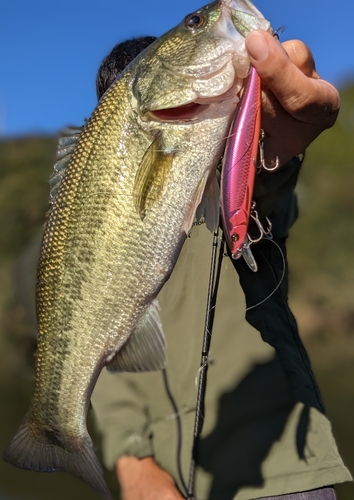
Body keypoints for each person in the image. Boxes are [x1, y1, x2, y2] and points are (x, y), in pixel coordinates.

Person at [91, 31, 352, 500]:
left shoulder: (241, 175)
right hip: (165, 481)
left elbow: (273, 197)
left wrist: (276, 147)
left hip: (281, 470)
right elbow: (101, 350)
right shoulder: (101, 231)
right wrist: (132, 459)